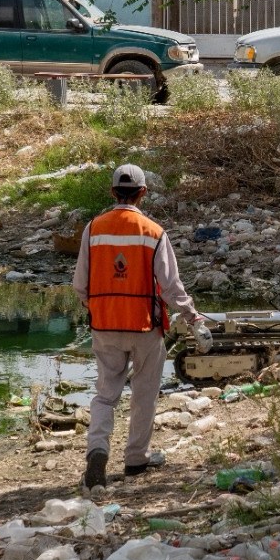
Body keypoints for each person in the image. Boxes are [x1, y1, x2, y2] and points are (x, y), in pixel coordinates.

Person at [71, 163, 206, 489]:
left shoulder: (93, 229)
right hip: (146, 328)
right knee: (144, 395)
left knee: (105, 397)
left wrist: (99, 309)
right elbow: (171, 288)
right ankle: (135, 460)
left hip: (105, 326)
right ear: (143, 193)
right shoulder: (153, 232)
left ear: (112, 192)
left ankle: (98, 450)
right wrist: (194, 318)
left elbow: (79, 284)